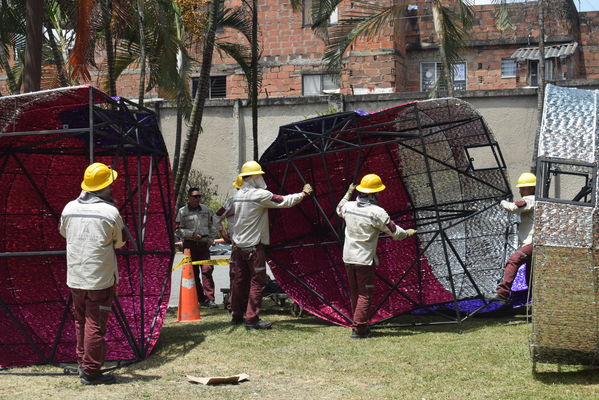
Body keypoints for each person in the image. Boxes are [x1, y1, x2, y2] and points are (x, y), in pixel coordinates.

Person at [59, 162, 126, 385]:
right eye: (110, 184)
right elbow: (120, 242)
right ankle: (91, 372)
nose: (112, 189)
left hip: (76, 277)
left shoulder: (69, 208)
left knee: (80, 322)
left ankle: (83, 363)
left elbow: (63, 232)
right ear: (104, 186)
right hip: (99, 279)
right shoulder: (110, 212)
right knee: (95, 325)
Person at [230, 160, 313, 330]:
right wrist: (304, 194)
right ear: (252, 177)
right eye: (259, 175)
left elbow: (220, 215)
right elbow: (284, 201)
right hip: (253, 247)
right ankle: (252, 319)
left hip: (238, 248)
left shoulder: (236, 197)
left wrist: (225, 233)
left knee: (240, 281)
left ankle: (236, 314)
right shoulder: (260, 195)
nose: (261, 178)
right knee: (258, 282)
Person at [336, 174, 416, 339]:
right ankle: (359, 329)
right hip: (364, 259)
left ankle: (358, 324)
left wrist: (347, 193)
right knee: (365, 294)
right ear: (372, 194)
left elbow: (339, 208)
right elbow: (394, 231)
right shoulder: (376, 212)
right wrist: (406, 234)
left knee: (355, 293)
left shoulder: (349, 207)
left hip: (348, 257)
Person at [486, 172, 536, 304]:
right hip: (535, 244)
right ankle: (534, 301)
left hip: (532, 244)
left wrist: (502, 202)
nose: (519, 190)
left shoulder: (530, 199)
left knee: (513, 261)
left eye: (522, 188)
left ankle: (502, 293)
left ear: (531, 188)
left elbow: (515, 207)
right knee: (531, 275)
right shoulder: (536, 200)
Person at [175, 187, 218, 308]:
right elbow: (178, 229)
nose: (198, 199)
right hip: (190, 245)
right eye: (195, 196)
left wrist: (211, 240)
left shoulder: (205, 209)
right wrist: (191, 234)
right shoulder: (182, 211)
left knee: (207, 270)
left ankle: (210, 299)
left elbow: (212, 226)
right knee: (192, 273)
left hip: (204, 245)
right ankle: (201, 299)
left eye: (199, 196)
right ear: (189, 198)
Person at [214, 176, 242, 313]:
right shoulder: (233, 201)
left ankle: (240, 305)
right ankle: (234, 306)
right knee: (236, 275)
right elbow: (216, 217)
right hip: (237, 244)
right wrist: (223, 233)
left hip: (247, 243)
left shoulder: (255, 199)